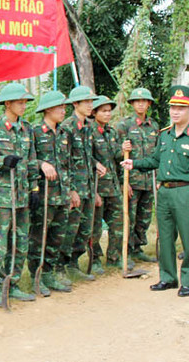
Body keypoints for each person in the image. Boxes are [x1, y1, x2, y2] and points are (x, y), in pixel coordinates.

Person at [121, 85, 189, 297]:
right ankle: (168, 277)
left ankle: (188, 280)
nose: (175, 112)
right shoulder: (165, 135)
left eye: (181, 108)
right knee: (165, 238)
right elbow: (155, 160)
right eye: (173, 107)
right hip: (164, 193)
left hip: (186, 193)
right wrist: (133, 163)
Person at [0, 83, 35, 305]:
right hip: (3, 196)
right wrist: (1, 161)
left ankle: (13, 283)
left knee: (21, 241)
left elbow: (31, 161)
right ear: (7, 104)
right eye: (19, 102)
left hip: (22, 195)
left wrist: (34, 189)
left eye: (25, 102)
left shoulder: (27, 129)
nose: (23, 106)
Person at [28, 90, 72, 294]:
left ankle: (49, 273)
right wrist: (41, 163)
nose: (63, 111)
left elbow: (67, 164)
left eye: (64, 107)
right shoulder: (35, 132)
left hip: (62, 195)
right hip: (44, 195)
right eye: (59, 107)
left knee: (56, 237)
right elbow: (27, 158)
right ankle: (36, 277)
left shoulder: (64, 134)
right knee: (39, 238)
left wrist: (71, 191)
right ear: (47, 109)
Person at [60, 85, 98, 283]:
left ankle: (74, 263)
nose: (91, 105)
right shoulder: (67, 127)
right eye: (87, 102)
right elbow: (64, 162)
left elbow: (86, 156)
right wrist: (71, 190)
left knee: (84, 229)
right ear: (75, 104)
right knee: (70, 229)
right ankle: (62, 265)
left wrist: (95, 164)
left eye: (92, 102)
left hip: (88, 187)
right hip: (75, 188)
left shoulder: (88, 127)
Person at [116, 88, 159, 263]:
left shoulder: (154, 126)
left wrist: (159, 179)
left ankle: (137, 248)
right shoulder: (124, 125)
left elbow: (158, 154)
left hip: (149, 180)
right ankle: (125, 250)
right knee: (129, 217)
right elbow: (116, 155)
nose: (141, 104)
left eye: (144, 101)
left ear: (149, 104)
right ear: (132, 104)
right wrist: (122, 182)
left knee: (145, 217)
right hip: (131, 180)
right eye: (137, 101)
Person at [90, 96, 124, 271]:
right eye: (103, 111)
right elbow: (87, 158)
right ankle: (95, 259)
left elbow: (117, 158)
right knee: (95, 226)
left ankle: (114, 256)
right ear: (94, 112)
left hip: (114, 186)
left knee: (118, 222)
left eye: (109, 110)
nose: (107, 114)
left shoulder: (112, 132)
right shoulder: (89, 132)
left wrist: (124, 150)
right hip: (98, 187)